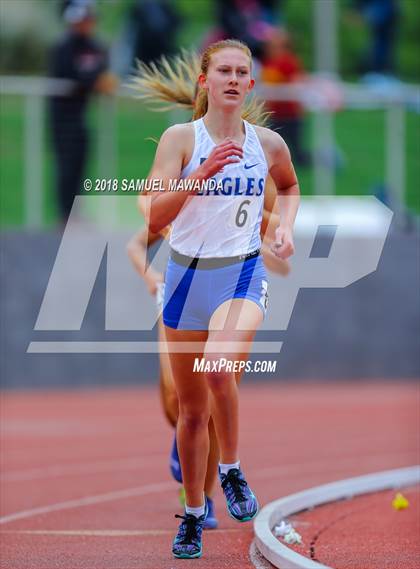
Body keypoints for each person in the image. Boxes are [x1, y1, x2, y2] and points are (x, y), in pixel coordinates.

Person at [132, 38, 299, 559]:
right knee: (188, 411)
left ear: (250, 83)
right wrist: (199, 176)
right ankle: (194, 512)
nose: (232, 78)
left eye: (241, 71)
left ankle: (230, 471)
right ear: (205, 81)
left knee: (218, 369)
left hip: (240, 275)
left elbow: (289, 189)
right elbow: (154, 218)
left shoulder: (268, 145)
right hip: (183, 279)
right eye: (222, 70)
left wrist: (284, 231)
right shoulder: (180, 139)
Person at [127, 177, 290, 530]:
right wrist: (150, 276)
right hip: (178, 297)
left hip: (231, 297)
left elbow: (282, 257)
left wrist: (247, 240)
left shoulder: (258, 181)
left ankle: (205, 497)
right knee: (176, 401)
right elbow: (138, 239)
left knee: (215, 396)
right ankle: (183, 439)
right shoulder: (186, 177)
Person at [48, 0, 118, 220]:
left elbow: (102, 71)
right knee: (66, 166)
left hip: (81, 116)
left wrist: (102, 80)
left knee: (80, 164)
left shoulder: (96, 47)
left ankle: (76, 213)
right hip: (62, 117)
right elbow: (69, 73)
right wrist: (93, 81)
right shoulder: (62, 48)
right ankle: (65, 215)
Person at [260, 27, 310, 166]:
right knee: (270, 148)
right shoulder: (268, 62)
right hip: (274, 114)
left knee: (296, 152)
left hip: (290, 114)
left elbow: (297, 84)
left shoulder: (289, 62)